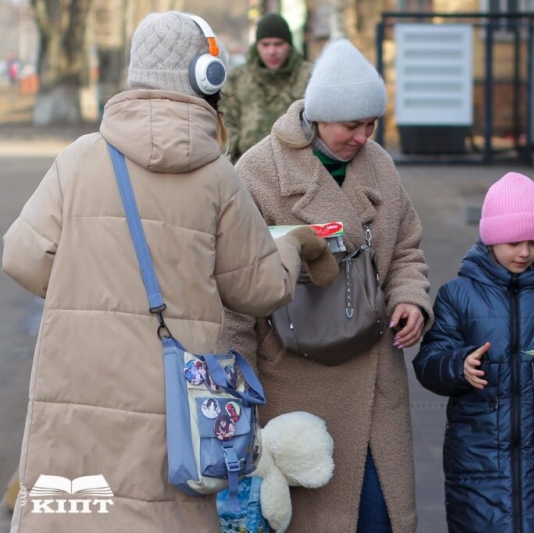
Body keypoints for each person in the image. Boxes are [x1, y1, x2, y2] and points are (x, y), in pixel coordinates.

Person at [2, 11, 334, 532]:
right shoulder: (218, 178)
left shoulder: (79, 159)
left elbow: (20, 257)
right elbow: (261, 288)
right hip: (177, 402)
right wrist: (294, 246)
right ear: (208, 76)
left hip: (78, 388)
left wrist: (86, 291)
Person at [225, 39, 432, 533]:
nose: (363, 137)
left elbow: (406, 248)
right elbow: (233, 297)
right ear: (318, 118)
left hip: (374, 374)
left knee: (378, 516)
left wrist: (410, 299)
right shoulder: (256, 173)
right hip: (291, 387)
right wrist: (242, 400)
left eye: (371, 124)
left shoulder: (379, 164)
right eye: (351, 126)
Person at [413, 172, 534, 533]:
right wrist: (458, 365)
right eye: (513, 242)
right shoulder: (457, 295)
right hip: (476, 466)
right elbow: (427, 362)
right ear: (490, 239)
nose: (524, 252)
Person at [221, 13, 313, 163]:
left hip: (297, 165)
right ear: (257, 45)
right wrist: (241, 145)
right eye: (265, 44)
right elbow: (224, 124)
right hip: (247, 165)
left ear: (288, 45)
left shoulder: (309, 77)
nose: (272, 51)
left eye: (278, 44)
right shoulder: (237, 78)